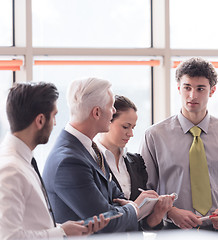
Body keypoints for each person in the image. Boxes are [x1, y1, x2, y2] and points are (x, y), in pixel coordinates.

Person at [140, 57, 218, 233]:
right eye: (187, 87)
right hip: (171, 231)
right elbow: (145, 191)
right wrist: (171, 212)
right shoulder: (155, 135)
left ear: (212, 91)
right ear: (179, 88)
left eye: (200, 89)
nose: (192, 95)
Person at [42, 77, 159, 233]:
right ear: (96, 112)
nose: (114, 111)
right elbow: (106, 222)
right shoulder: (69, 160)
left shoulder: (90, 148)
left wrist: (119, 209)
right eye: (111, 107)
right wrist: (135, 207)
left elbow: (116, 197)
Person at [0, 82, 109, 239]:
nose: (55, 123)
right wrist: (61, 232)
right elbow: (9, 237)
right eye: (54, 116)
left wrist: (65, 229)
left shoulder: (21, 160)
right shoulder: (11, 169)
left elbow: (32, 222)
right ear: (40, 120)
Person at [96, 95, 174, 229]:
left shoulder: (136, 162)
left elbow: (145, 224)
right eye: (126, 127)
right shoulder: (91, 161)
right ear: (107, 120)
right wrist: (136, 206)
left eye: (133, 127)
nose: (131, 133)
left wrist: (158, 212)